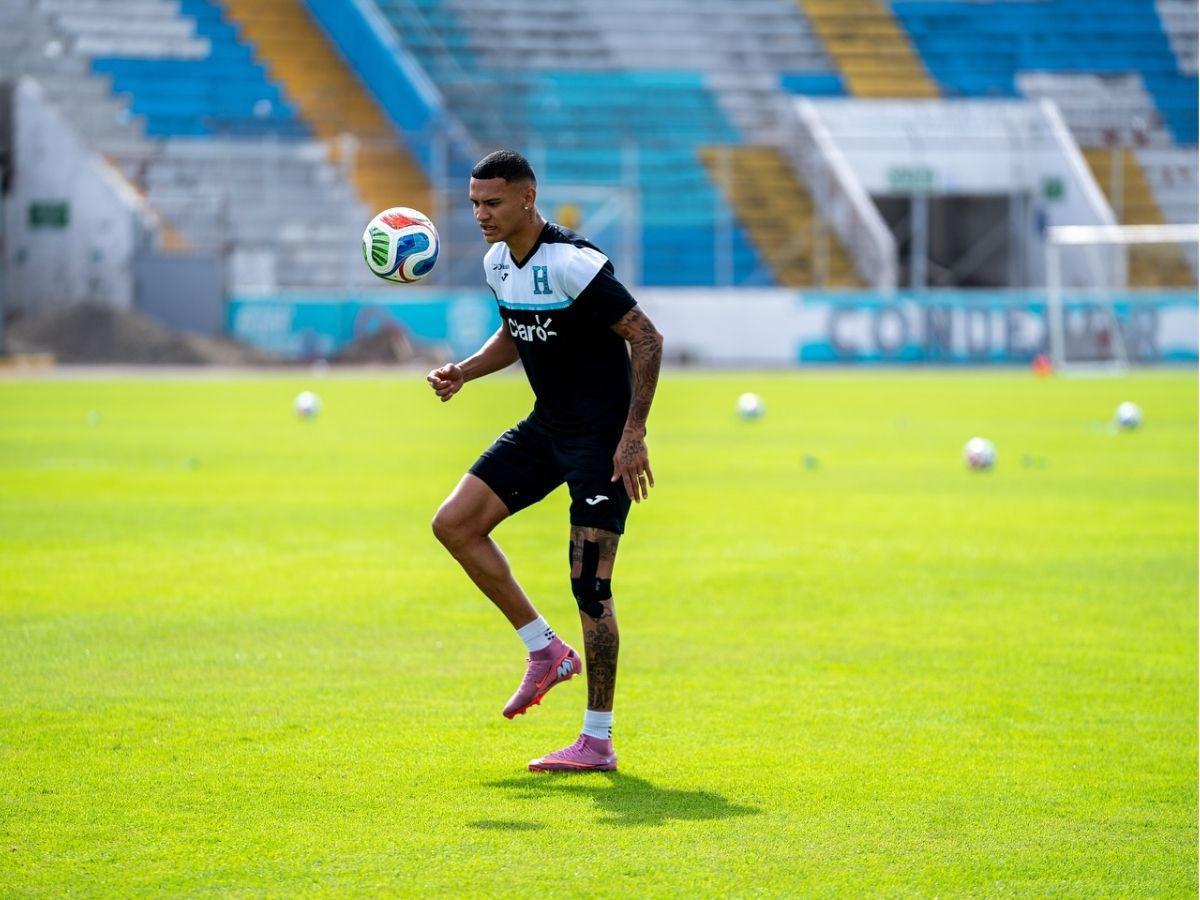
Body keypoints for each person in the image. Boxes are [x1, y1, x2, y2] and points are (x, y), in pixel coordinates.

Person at [428, 149, 663, 773]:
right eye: (475, 203)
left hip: (601, 444)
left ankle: (597, 740)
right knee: (455, 524)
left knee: (591, 588)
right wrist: (464, 372)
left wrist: (633, 433)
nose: (481, 214)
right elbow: (516, 333)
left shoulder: (571, 262)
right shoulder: (497, 262)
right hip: (548, 427)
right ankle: (545, 650)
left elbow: (646, 337)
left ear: (528, 198)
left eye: (492, 202)